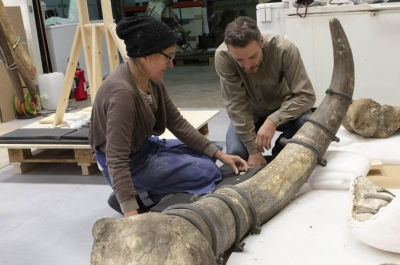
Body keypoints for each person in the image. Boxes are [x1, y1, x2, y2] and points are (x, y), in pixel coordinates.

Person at [89, 16, 247, 217]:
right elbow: (116, 159)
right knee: (207, 172)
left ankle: (145, 189)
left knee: (210, 154)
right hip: (128, 163)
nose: (171, 64)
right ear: (146, 55)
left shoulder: (151, 80)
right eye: (168, 57)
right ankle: (140, 196)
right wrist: (131, 213)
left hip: (144, 147)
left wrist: (221, 156)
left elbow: (177, 122)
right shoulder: (122, 94)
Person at [215, 16, 316, 167]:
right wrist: (253, 151)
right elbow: (236, 105)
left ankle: (278, 157)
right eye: (240, 60)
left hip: (283, 109)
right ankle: (265, 158)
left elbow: (306, 96)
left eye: (252, 56)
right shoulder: (223, 56)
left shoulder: (285, 51)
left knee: (307, 126)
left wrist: (273, 120)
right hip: (249, 113)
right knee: (237, 154)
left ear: (261, 42)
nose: (247, 66)